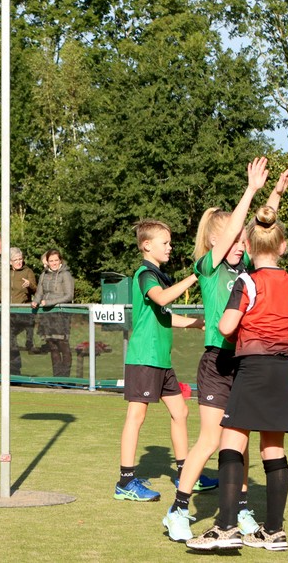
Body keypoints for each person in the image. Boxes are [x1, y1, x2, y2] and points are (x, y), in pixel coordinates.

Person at [173, 159, 288, 541]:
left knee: (238, 442)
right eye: (233, 239)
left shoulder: (248, 271)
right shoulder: (209, 267)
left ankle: (239, 510)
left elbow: (263, 232)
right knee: (212, 440)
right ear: (216, 242)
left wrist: (275, 192)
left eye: (243, 241)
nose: (240, 244)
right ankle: (179, 509)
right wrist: (250, 189)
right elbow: (236, 231)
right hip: (217, 359)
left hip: (245, 362)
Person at [115, 220, 202, 514]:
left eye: (170, 242)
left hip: (160, 359)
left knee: (181, 411)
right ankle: (125, 482)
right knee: (136, 416)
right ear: (146, 245)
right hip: (145, 357)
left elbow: (165, 315)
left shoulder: (159, 277)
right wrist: (195, 275)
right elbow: (163, 298)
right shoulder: (145, 274)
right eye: (165, 243)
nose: (170, 247)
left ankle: (185, 474)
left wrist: (197, 323)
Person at [32, 249, 75, 378]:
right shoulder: (43, 275)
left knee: (63, 345)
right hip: (47, 316)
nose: (54, 263)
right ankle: (56, 377)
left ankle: (65, 378)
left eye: (56, 260)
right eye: (51, 261)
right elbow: (39, 292)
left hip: (61, 315)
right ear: (47, 262)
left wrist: (50, 302)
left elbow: (69, 295)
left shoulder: (65, 275)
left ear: (60, 260)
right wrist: (35, 301)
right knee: (53, 346)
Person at [8, 247, 37, 373]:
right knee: (10, 341)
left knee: (23, 336)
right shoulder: (7, 273)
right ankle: (14, 370)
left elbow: (36, 290)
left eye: (20, 259)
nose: (19, 262)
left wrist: (30, 285)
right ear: (10, 262)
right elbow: (0, 291)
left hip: (24, 312)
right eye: (16, 260)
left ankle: (30, 343)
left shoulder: (28, 271)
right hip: (10, 313)